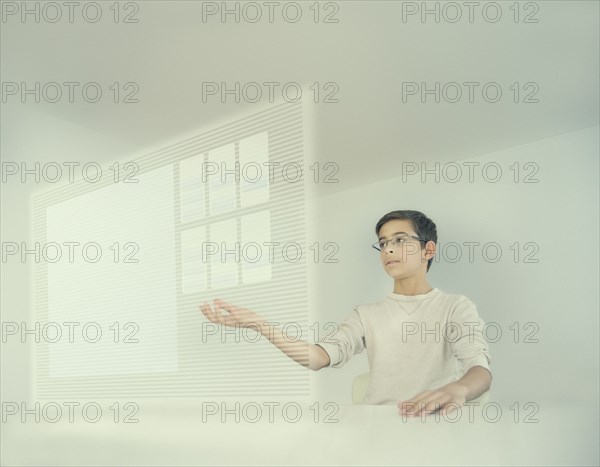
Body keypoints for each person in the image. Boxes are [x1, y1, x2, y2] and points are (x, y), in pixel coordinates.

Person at [199, 210, 492, 416]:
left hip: (434, 424)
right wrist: (259, 325)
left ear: (428, 250)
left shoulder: (454, 306)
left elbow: (480, 370)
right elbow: (317, 358)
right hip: (377, 427)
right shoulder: (366, 314)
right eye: (384, 243)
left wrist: (459, 389)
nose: (389, 249)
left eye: (400, 240)